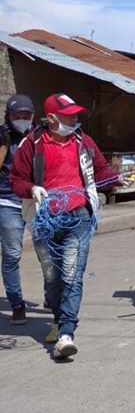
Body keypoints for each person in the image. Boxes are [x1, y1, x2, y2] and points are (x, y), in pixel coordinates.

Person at [10, 93, 122, 359]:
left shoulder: (84, 141)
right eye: (68, 116)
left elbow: (101, 171)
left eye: (75, 115)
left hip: (78, 217)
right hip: (44, 220)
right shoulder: (32, 143)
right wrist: (32, 188)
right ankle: (58, 319)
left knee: (72, 275)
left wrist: (118, 179)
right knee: (52, 276)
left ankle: (66, 334)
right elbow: (16, 179)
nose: (75, 120)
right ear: (51, 118)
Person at [1, 95, 35, 326]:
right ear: (9, 116)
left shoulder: (40, 135)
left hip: (36, 200)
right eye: (17, 115)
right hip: (8, 201)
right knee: (12, 254)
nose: (22, 119)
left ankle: (52, 297)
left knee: (48, 254)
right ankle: (17, 304)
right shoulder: (3, 135)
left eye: (26, 115)